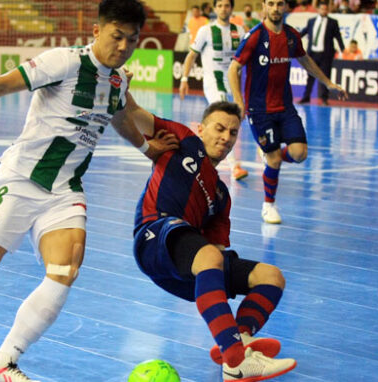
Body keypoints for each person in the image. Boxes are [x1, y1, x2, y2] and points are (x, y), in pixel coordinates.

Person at [0, 1, 178, 381]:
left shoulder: (118, 81)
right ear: (96, 31)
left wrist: (146, 148)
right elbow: (1, 83)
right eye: (117, 37)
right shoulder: (63, 62)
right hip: (21, 179)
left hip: (65, 190)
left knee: (65, 267)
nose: (124, 47)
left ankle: (2, 364)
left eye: (132, 40)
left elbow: (119, 116)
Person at [126, 95, 297, 381]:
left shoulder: (221, 195)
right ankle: (236, 358)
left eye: (232, 133)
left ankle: (237, 342)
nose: (226, 137)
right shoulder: (184, 140)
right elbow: (132, 112)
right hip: (154, 235)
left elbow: (216, 253)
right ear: (201, 128)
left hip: (185, 259)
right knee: (209, 255)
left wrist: (218, 304)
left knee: (271, 276)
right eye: (219, 128)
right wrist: (122, 86)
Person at [228, 0, 347, 224]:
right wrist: (239, 102)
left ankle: (271, 156)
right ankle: (268, 206)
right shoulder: (255, 36)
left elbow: (304, 59)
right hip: (260, 110)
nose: (275, 8)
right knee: (273, 160)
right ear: (263, 6)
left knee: (300, 154)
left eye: (279, 4)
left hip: (285, 107)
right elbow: (234, 68)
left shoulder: (292, 35)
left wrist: (328, 83)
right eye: (270, 3)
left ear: (285, 7)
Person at [180, 0, 249, 181]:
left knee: (232, 123)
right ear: (215, 8)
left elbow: (243, 62)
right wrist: (184, 79)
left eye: (227, 6)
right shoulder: (206, 30)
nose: (223, 9)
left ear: (232, 9)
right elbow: (191, 55)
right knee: (225, 120)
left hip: (232, 84)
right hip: (213, 83)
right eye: (220, 6)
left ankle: (203, 159)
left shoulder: (240, 31)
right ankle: (234, 167)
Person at [297, 2, 345, 106]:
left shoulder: (333, 22)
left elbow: (338, 36)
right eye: (322, 9)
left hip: (325, 54)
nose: (324, 11)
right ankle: (306, 97)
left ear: (327, 10)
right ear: (318, 10)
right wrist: (294, 39)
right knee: (310, 76)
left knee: (325, 77)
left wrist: (343, 49)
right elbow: (304, 32)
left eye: (325, 9)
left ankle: (324, 99)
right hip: (312, 54)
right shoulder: (312, 21)